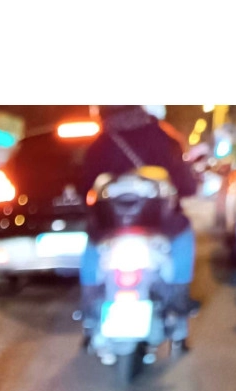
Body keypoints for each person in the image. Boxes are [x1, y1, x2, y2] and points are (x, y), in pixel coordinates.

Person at [78, 105, 200, 349]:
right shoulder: (164, 138)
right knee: (183, 235)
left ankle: (90, 310)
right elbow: (188, 186)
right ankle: (178, 301)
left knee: (92, 243)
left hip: (111, 226)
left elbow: (83, 187)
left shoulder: (100, 144)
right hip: (161, 225)